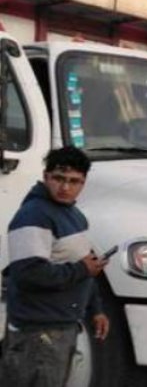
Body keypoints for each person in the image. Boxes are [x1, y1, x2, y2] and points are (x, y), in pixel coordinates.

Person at [1, 146, 109, 387]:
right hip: (37, 334)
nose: (65, 187)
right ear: (46, 176)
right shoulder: (33, 216)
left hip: (62, 328)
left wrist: (96, 310)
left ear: (84, 182)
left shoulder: (74, 216)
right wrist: (82, 270)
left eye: (74, 181)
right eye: (59, 178)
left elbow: (85, 264)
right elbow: (29, 273)